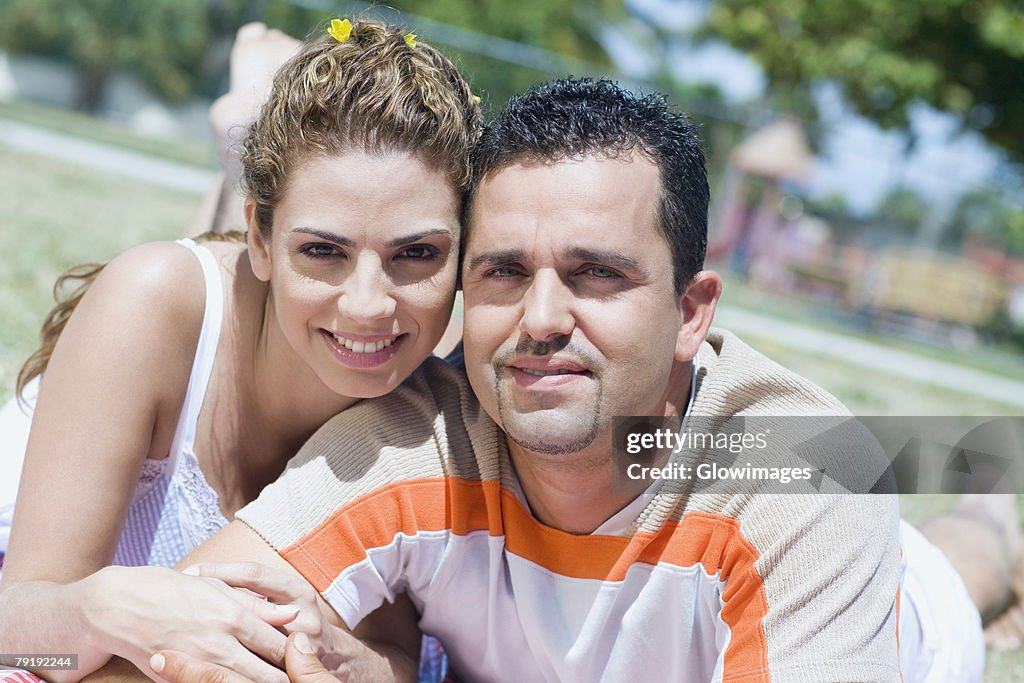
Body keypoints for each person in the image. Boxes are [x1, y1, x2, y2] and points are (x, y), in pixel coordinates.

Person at [134, 77, 988, 682]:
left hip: (901, 616)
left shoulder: (812, 477)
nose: (541, 318)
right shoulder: (410, 443)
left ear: (692, 311)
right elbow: (169, 635)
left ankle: (994, 530)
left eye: (596, 273)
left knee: (961, 567)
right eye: (504, 271)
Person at [0, 18, 480, 683]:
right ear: (262, 236)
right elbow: (17, 642)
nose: (370, 304)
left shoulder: (440, 379)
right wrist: (99, 611)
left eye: (418, 253)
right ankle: (242, 136)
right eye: (323, 250)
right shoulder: (151, 301)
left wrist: (334, 655)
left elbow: (397, 652)